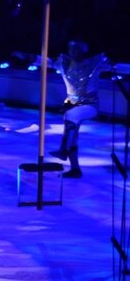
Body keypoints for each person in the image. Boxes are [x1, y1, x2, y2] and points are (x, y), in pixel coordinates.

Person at [48, 39, 112, 178]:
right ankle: (75, 169)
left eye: (77, 49)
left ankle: (63, 149)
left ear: (84, 51)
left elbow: (115, 67)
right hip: (72, 104)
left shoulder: (95, 64)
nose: (74, 51)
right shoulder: (64, 63)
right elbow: (46, 61)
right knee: (73, 136)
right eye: (72, 48)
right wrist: (28, 56)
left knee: (71, 116)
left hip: (89, 105)